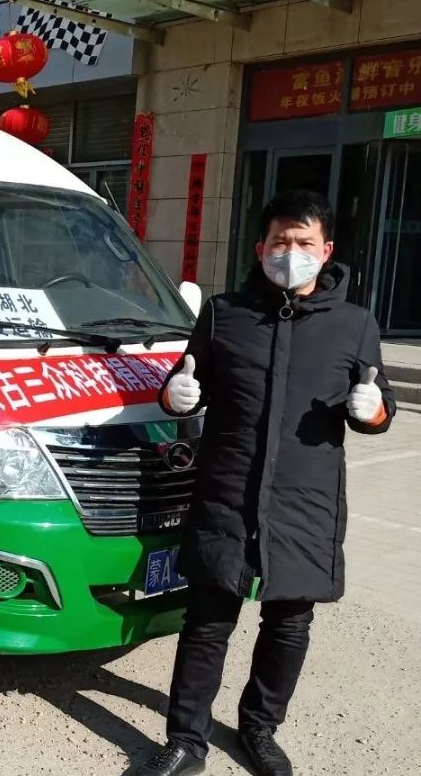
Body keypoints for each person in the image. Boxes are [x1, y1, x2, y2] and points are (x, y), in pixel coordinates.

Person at [135, 190, 396, 776]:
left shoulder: (354, 325)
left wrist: (374, 410)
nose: (290, 252)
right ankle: (187, 741)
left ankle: (259, 728)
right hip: (227, 491)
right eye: (280, 241)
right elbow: (185, 383)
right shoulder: (224, 313)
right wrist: (174, 394)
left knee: (289, 624)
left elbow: (379, 407)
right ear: (260, 248)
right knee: (207, 621)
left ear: (326, 251)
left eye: (304, 242)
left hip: (306, 499)